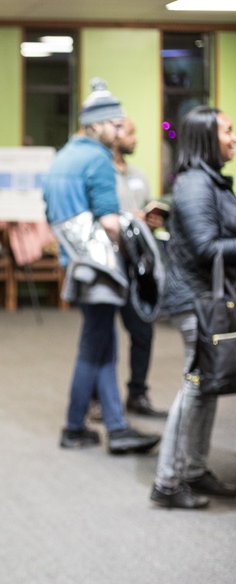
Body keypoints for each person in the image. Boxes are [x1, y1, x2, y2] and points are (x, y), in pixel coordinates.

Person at [43, 78, 160, 454]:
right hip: (102, 269)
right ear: (96, 124)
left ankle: (96, 426)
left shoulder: (61, 157)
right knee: (97, 348)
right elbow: (110, 224)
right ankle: (88, 427)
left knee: (99, 345)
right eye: (115, 124)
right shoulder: (98, 159)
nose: (120, 130)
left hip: (76, 264)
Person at [151, 105, 236, 509]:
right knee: (196, 386)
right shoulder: (194, 185)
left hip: (208, 299)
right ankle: (167, 482)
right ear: (206, 137)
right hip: (197, 302)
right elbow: (206, 249)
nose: (233, 138)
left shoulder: (212, 182)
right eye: (227, 131)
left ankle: (194, 469)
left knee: (206, 387)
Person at [112, 117, 167, 418]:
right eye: (131, 133)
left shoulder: (139, 175)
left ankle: (137, 394)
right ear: (115, 134)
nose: (135, 138)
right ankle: (97, 400)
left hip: (138, 269)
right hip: (109, 267)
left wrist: (151, 220)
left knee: (143, 332)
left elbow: (147, 212)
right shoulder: (100, 173)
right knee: (103, 337)